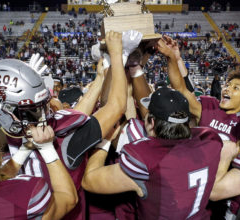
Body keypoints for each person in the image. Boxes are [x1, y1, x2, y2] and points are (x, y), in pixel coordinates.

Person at [0, 31, 127, 219]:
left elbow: (76, 114)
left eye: (42, 105)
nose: (43, 115)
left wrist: (99, 79)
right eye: (32, 109)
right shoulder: (59, 140)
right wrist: (118, 55)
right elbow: (116, 106)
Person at [82, 87, 223, 219]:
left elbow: (89, 181)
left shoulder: (145, 156)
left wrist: (104, 141)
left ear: (152, 122)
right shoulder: (210, 141)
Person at [157, 37, 240, 142]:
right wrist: (173, 58)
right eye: (227, 85)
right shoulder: (210, 106)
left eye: (235, 88)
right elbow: (181, 90)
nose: (227, 89)